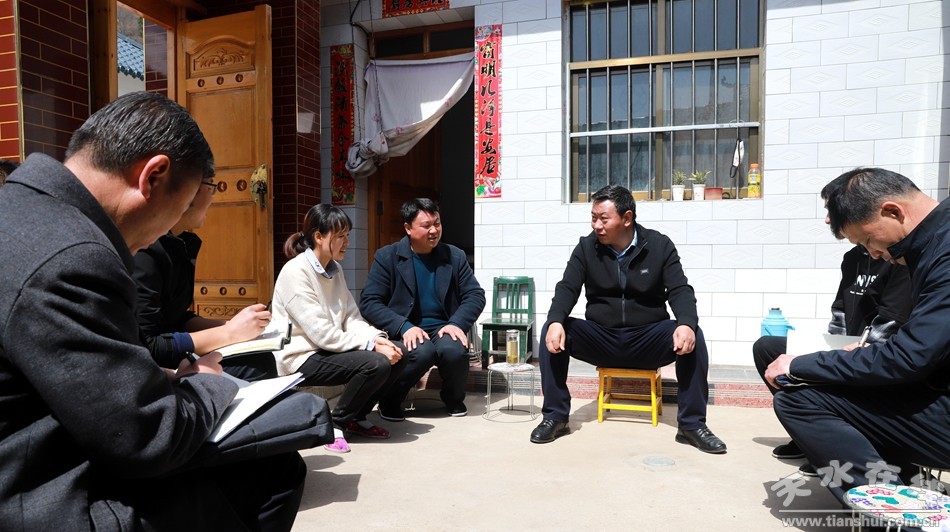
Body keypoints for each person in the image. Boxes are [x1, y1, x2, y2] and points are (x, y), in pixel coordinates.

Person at [0, 92, 308, 531]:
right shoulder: (75, 255)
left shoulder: (21, 211)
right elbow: (143, 438)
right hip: (36, 494)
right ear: (154, 175)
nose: (163, 235)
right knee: (273, 468)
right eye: (180, 209)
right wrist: (209, 383)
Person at [765, 167, 950, 503]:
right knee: (803, 374)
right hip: (932, 383)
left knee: (799, 398)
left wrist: (803, 364)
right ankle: (899, 481)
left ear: (892, 211)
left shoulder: (940, 254)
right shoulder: (932, 242)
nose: (873, 253)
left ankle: (898, 516)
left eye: (867, 240)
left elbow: (909, 357)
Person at [530, 184, 726, 453]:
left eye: (604, 219)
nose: (596, 225)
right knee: (554, 329)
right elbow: (567, 288)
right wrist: (555, 321)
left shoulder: (659, 245)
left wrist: (686, 324)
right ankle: (555, 417)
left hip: (647, 339)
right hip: (602, 338)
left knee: (694, 335)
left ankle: (691, 426)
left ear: (627, 218)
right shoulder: (586, 248)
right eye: (593, 218)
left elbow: (680, 289)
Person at [753, 243, 911, 474]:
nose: (829, 221)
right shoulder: (852, 257)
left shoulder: (898, 258)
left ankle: (837, 448)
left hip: (876, 354)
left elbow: (890, 324)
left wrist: (840, 359)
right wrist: (832, 349)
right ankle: (808, 435)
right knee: (767, 348)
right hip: (845, 347)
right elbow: (840, 311)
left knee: (828, 372)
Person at [271, 203, 405, 453]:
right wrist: (371, 346)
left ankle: (357, 417)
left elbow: (351, 317)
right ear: (318, 237)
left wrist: (378, 338)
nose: (347, 242)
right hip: (301, 356)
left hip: (327, 349)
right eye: (341, 236)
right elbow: (321, 333)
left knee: (399, 352)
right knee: (376, 363)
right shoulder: (295, 272)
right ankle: (335, 425)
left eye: (347, 235)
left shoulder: (335, 269)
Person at [133, 173, 276, 380]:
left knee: (260, 358)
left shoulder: (180, 243)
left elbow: (174, 317)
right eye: (211, 187)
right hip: (149, 372)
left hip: (170, 354)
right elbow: (147, 346)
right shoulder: (144, 250)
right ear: (187, 191)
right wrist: (229, 333)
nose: (213, 197)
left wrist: (232, 325)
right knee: (256, 366)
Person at [359, 198, 486, 420]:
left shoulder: (454, 256)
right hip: (406, 328)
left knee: (454, 351)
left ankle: (453, 399)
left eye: (437, 223)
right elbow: (369, 302)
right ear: (408, 228)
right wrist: (403, 326)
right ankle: (389, 400)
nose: (434, 230)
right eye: (426, 225)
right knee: (421, 352)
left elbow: (475, 294)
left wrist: (456, 323)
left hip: (443, 327)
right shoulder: (387, 257)